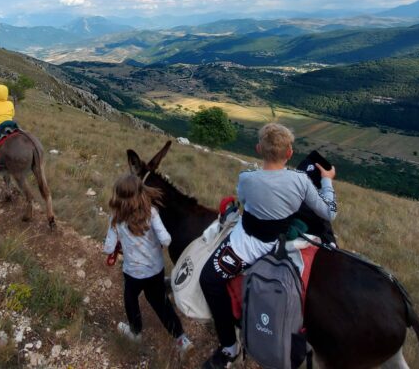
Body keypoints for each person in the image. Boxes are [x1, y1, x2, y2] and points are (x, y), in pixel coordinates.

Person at [199, 123, 337, 369]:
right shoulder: (302, 181)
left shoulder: (247, 178)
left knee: (209, 279)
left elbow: (243, 201)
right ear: (290, 154)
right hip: (282, 245)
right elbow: (329, 211)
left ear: (258, 149)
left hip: (246, 245)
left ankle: (230, 347)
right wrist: (326, 181)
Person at [103, 174, 193, 356]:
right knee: (161, 303)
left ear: (118, 196)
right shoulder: (152, 213)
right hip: (156, 270)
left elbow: (108, 248)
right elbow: (166, 239)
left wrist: (117, 245)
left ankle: (135, 332)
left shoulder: (115, 218)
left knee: (130, 298)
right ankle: (181, 339)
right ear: (141, 193)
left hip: (133, 273)